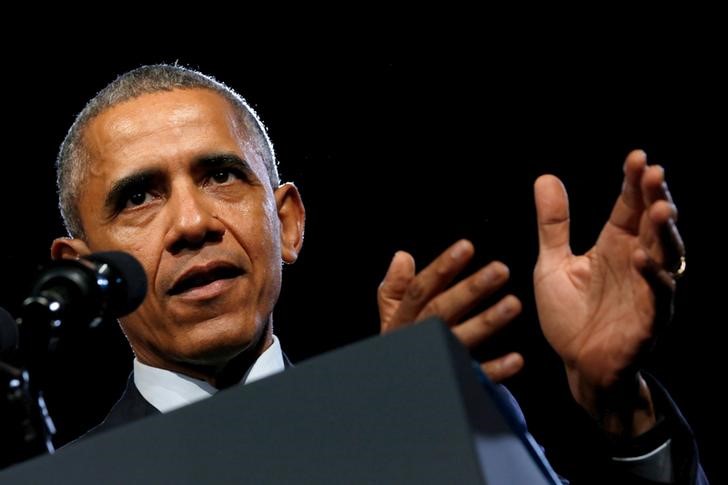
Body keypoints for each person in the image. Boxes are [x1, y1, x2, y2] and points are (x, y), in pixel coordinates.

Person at [51, 64, 706, 483]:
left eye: (221, 175)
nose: (192, 222)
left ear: (290, 223)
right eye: (139, 196)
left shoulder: (447, 415)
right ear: (82, 272)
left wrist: (624, 412)